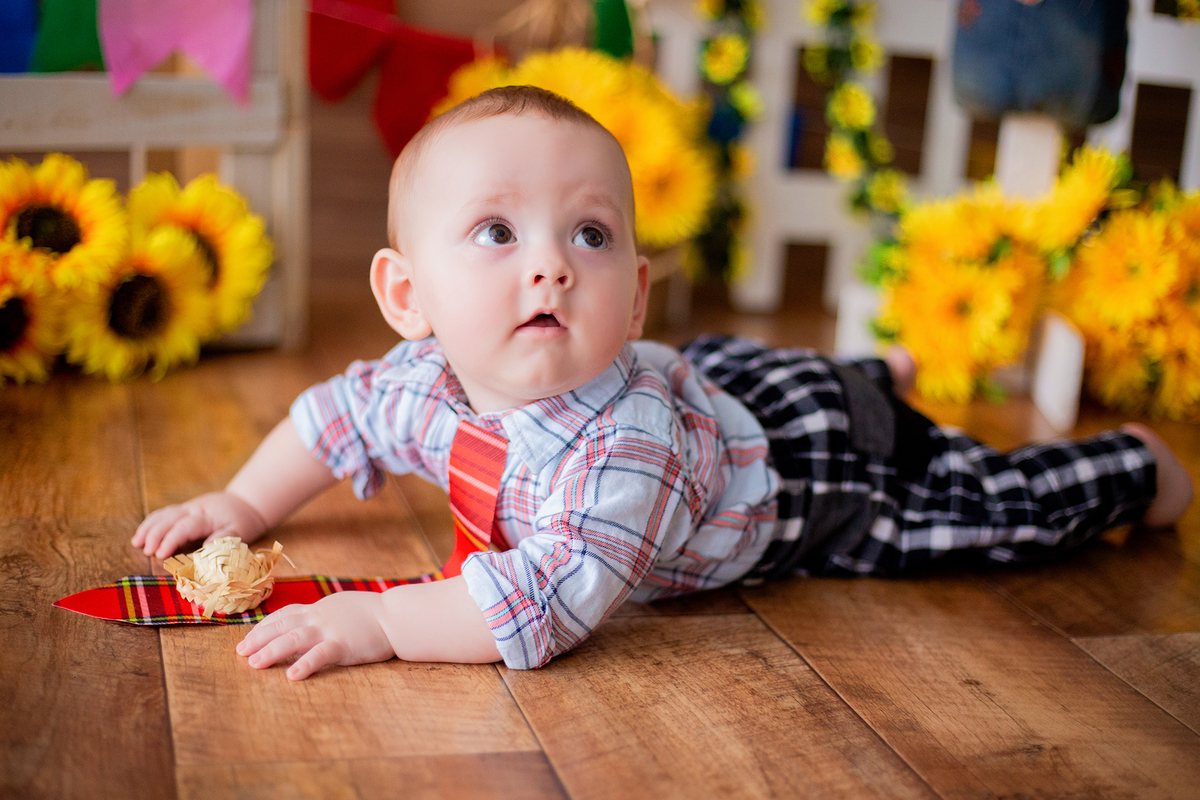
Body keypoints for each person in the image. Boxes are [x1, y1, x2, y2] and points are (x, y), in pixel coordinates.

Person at [132, 86, 1193, 680]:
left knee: (972, 508)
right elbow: (335, 417)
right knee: (744, 372)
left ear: (633, 295)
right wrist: (241, 502)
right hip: (716, 389)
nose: (551, 262)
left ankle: (1128, 468)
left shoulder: (617, 456)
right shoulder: (422, 378)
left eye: (590, 234)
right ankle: (875, 369)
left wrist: (383, 622)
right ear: (407, 295)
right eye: (496, 231)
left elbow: (542, 602)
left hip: (818, 475)